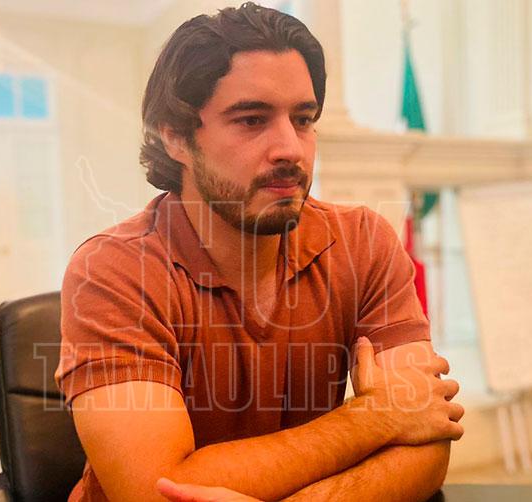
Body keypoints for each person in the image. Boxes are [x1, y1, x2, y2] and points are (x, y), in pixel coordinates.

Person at [56, 3, 464, 501]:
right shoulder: (113, 270)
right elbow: (156, 491)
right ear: (175, 137)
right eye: (252, 119)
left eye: (303, 119)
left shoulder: (365, 242)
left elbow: (427, 439)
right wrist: (374, 417)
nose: (290, 148)